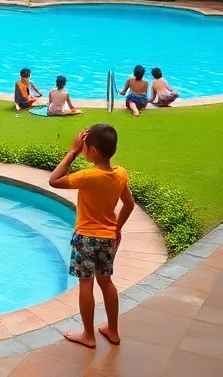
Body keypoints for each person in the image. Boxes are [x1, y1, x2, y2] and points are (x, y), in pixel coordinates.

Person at [49, 124, 136, 349]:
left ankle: (89, 334)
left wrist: (72, 152)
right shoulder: (120, 174)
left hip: (85, 238)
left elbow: (54, 180)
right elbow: (129, 204)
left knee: (86, 284)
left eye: (85, 146)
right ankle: (113, 330)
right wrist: (117, 228)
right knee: (106, 282)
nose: (82, 149)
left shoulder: (88, 176)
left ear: (93, 151)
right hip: (108, 238)